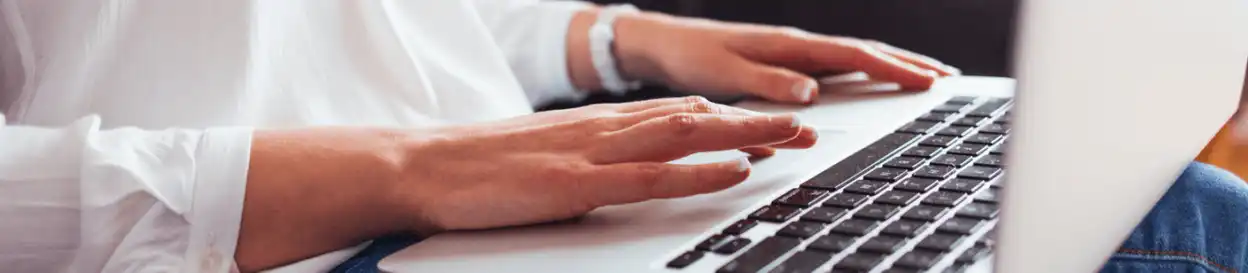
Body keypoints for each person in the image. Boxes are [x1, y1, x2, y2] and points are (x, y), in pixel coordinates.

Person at [0, 1, 1241, 273]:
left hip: (510, 184)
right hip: (277, 246)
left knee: (1163, 201)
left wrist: (614, 38)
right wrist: (394, 170)